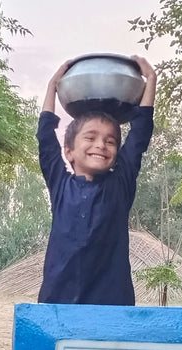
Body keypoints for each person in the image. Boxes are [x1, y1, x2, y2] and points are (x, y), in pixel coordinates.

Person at [37, 55, 157, 305]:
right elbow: (46, 139)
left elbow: (139, 135)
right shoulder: (61, 185)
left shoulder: (120, 184)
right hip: (58, 301)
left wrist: (151, 80)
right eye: (90, 138)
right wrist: (51, 87)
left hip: (112, 305)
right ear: (68, 151)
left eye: (110, 141)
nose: (100, 145)